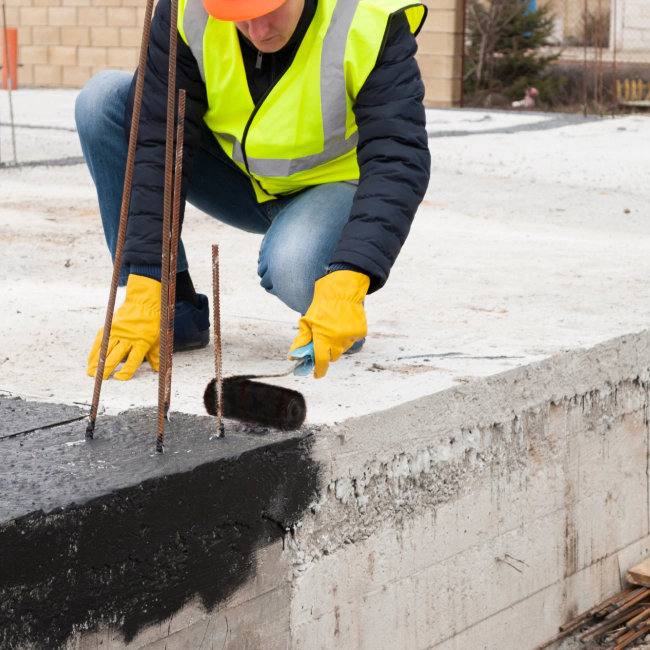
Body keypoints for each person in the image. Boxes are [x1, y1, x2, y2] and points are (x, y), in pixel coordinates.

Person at [76, 0, 431, 380]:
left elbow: (397, 157)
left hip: (333, 190)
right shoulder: (188, 10)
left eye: (269, 10)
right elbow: (158, 137)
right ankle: (174, 308)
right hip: (243, 182)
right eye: (239, 15)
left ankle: (334, 315)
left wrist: (352, 273)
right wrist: (147, 278)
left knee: (294, 267)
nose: (258, 31)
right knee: (104, 101)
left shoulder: (368, 18)